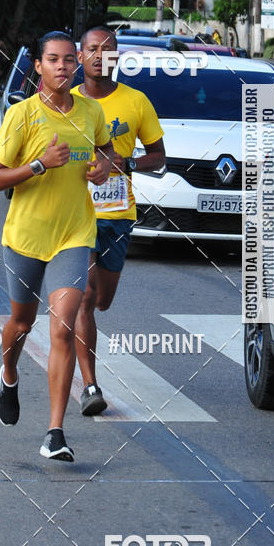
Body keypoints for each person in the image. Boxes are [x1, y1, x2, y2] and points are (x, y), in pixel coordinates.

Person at [0, 30, 114, 461]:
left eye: (67, 60)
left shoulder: (92, 112)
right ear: (38, 67)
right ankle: (8, 373)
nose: (61, 67)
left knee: (61, 327)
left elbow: (107, 152)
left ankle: (54, 432)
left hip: (74, 235)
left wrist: (103, 169)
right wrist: (40, 164)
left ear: (76, 64)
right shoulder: (21, 116)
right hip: (25, 236)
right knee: (21, 324)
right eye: (52, 60)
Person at [73, 27, 165, 415]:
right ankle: (90, 385)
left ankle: (89, 367)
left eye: (107, 50)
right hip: (76, 215)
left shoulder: (136, 101)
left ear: (116, 57)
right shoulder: (65, 102)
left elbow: (159, 157)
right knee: (86, 298)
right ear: (80, 57)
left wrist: (124, 163)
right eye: (91, 49)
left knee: (103, 300)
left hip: (118, 216)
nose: (99, 55)